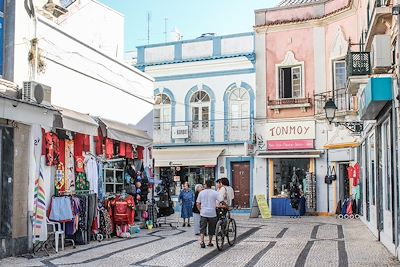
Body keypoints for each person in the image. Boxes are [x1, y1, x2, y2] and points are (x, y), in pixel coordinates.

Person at [196, 180, 222, 248]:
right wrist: (227, 206)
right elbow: (221, 200)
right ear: (211, 185)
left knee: (202, 228)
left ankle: (202, 241)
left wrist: (200, 211)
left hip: (203, 213)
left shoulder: (201, 193)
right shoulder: (215, 193)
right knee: (211, 228)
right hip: (212, 213)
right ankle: (210, 242)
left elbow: (198, 203)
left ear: (205, 185)